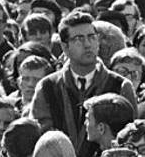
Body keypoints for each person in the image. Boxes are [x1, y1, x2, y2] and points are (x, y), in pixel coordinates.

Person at [31, 11, 137, 157]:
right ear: (65, 47)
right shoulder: (47, 87)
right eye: (79, 39)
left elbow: (132, 137)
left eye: (92, 37)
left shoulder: (120, 85)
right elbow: (41, 139)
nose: (87, 44)